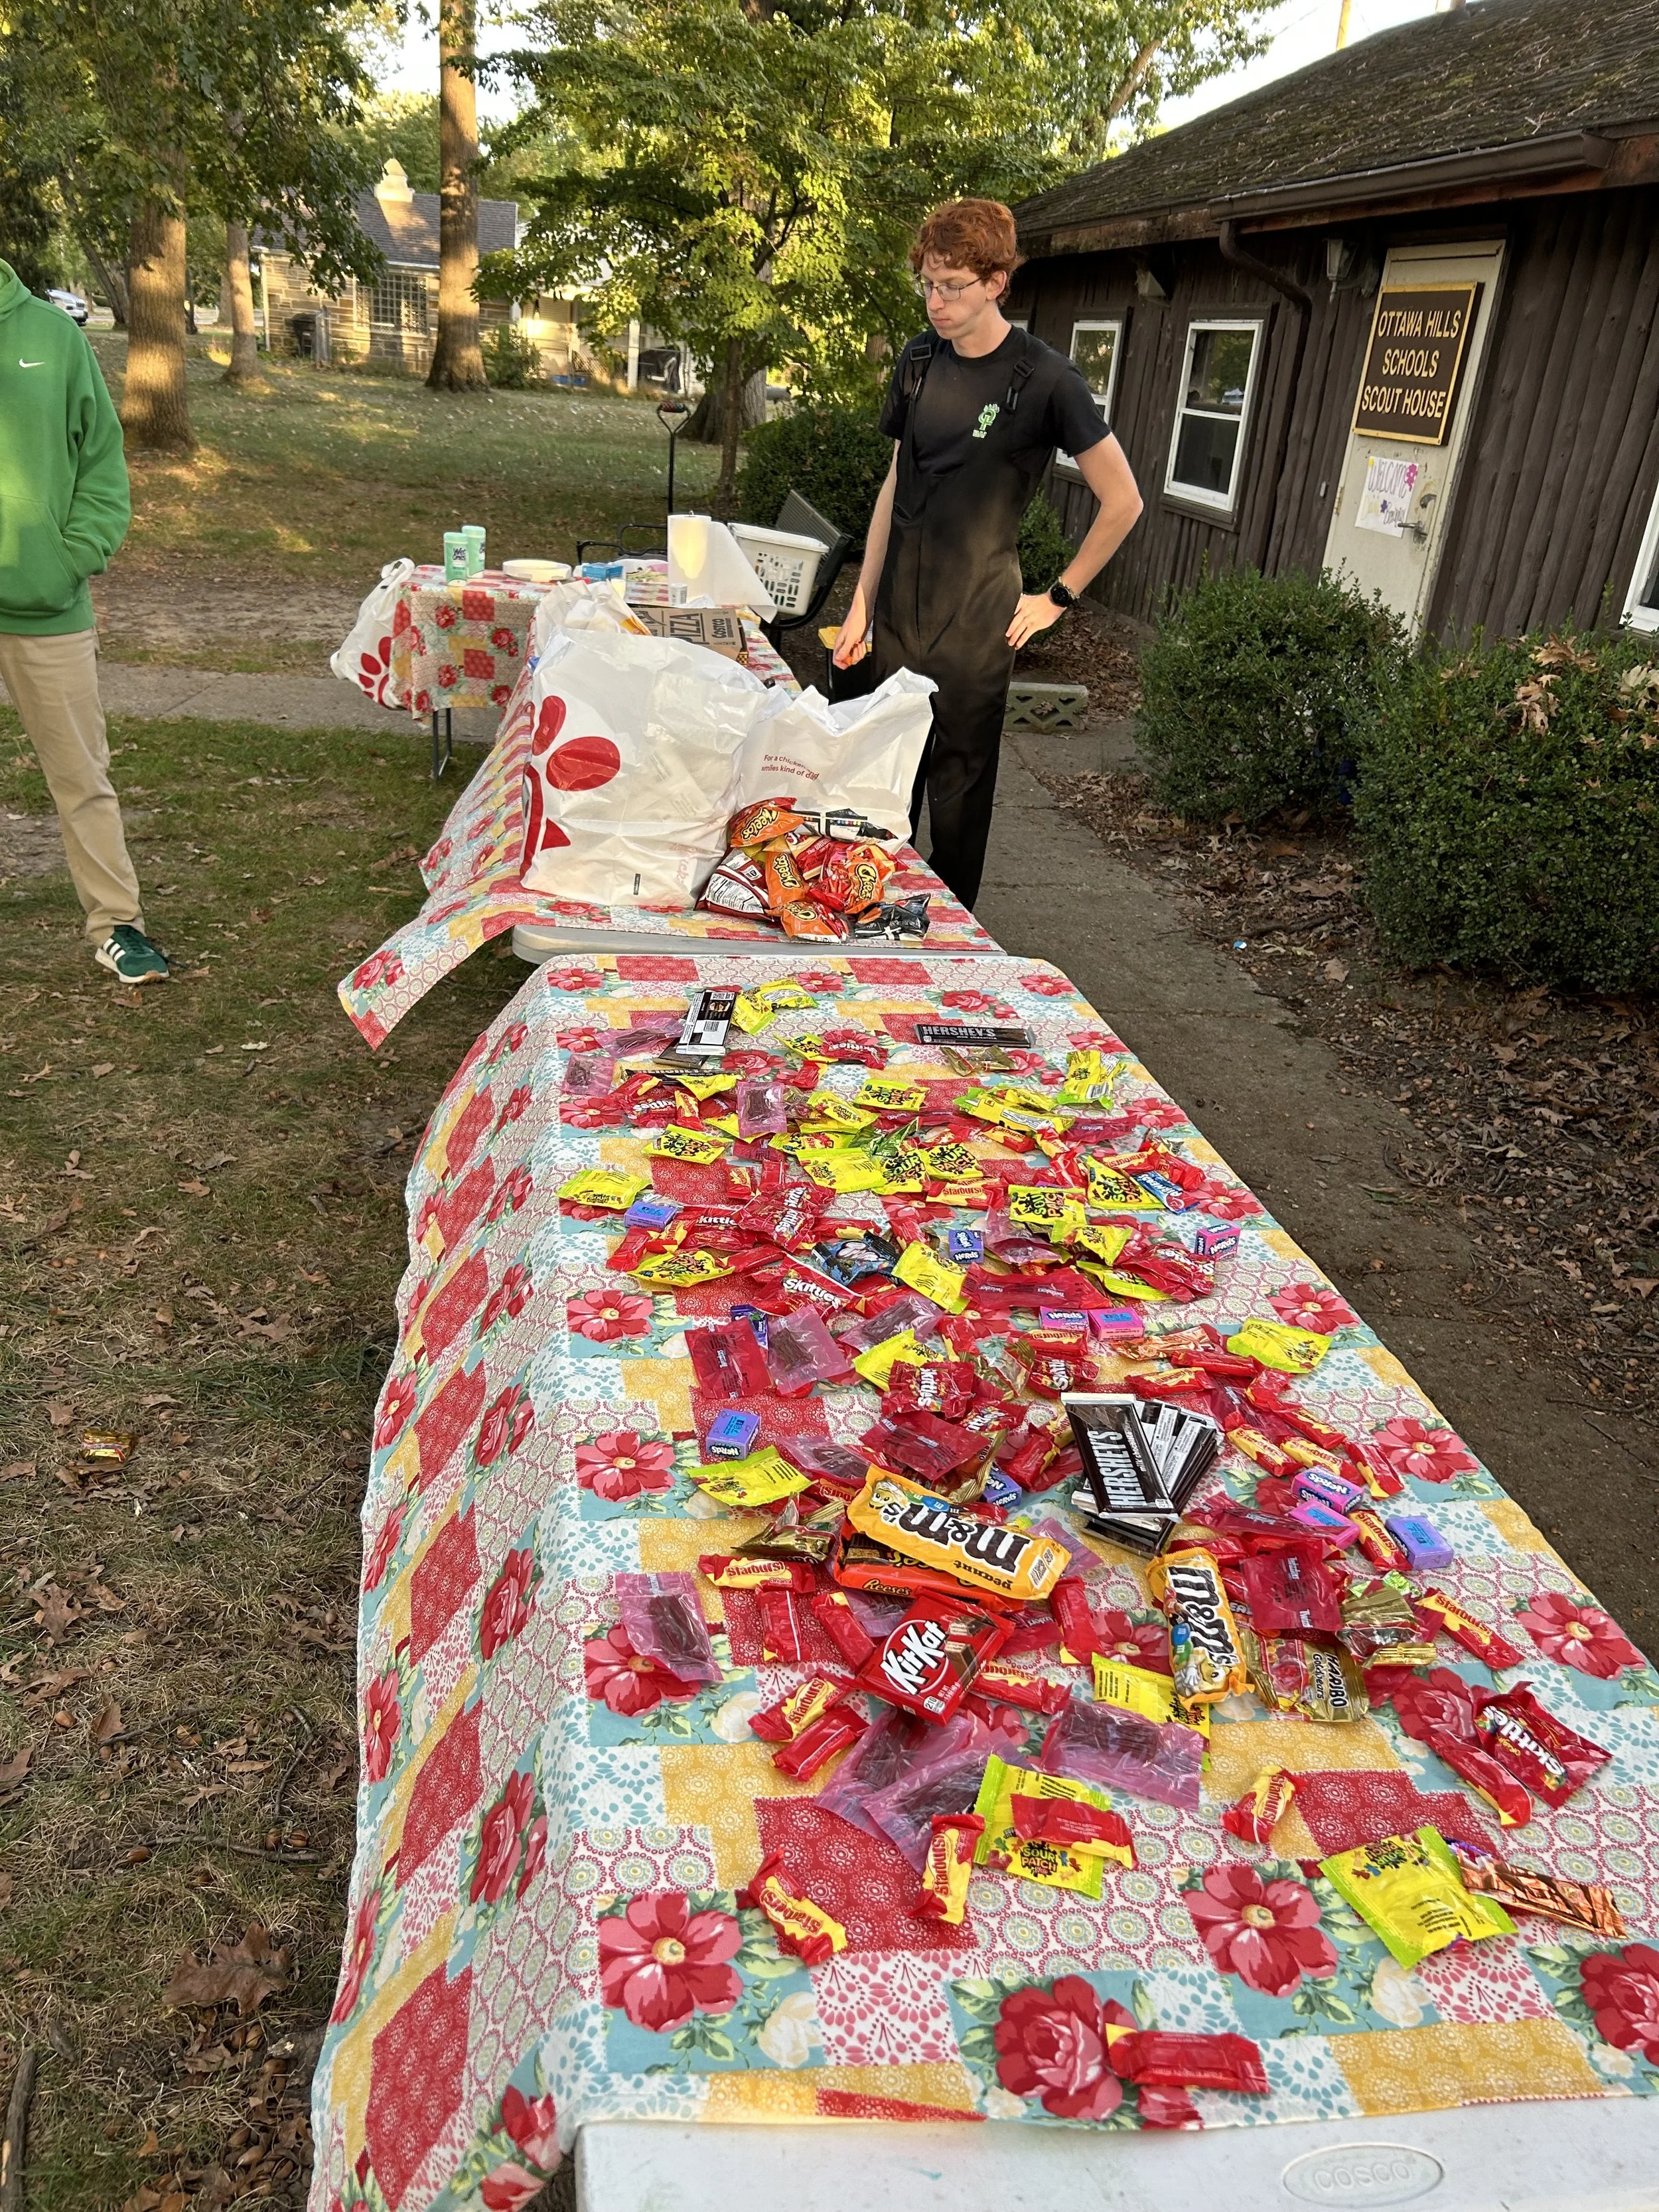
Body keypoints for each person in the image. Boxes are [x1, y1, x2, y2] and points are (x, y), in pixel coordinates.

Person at [832, 198, 1143, 910]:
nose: (935, 302)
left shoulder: (1046, 381)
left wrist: (1056, 598)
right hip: (897, 613)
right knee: (880, 794)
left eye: (951, 286)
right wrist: (859, 604)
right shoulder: (915, 362)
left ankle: (946, 952)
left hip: (977, 625)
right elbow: (893, 485)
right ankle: (865, 938)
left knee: (959, 806)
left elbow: (1122, 501)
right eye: (928, 285)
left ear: (997, 282)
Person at [0, 256, 168, 984]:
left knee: (81, 778)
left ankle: (117, 926)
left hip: (47, 608)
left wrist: (73, 556)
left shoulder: (49, 334)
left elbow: (102, 460)